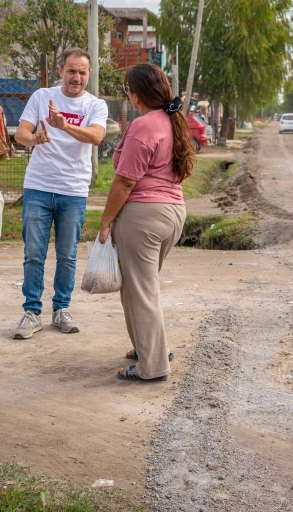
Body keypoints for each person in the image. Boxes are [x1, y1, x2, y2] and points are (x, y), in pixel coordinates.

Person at [98, 63, 194, 382]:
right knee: (141, 288)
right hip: (172, 212)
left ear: (136, 94)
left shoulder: (143, 126)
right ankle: (147, 347)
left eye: (127, 90)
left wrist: (105, 222)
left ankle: (152, 366)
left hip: (143, 216)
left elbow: (125, 182)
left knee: (141, 291)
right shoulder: (172, 121)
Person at [12, 48, 108, 339]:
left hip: (73, 190)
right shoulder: (42, 96)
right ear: (60, 70)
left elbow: (96, 135)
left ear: (89, 74)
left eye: (82, 72)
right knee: (33, 254)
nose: (76, 77)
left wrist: (65, 125)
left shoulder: (96, 105)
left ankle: (60, 310)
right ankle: (31, 312)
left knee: (67, 255)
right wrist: (35, 138)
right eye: (71, 71)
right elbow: (20, 133)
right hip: (39, 186)